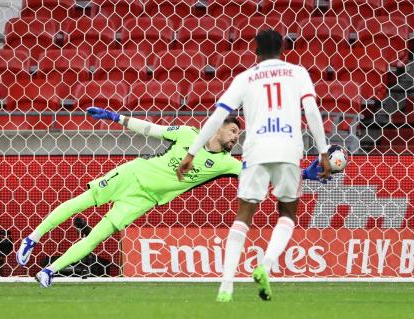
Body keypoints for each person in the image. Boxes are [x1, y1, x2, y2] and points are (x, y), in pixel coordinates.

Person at [17, 107, 325, 288]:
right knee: (82, 201)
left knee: (99, 234)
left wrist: (304, 174)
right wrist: (115, 117)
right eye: (232, 131)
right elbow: (150, 128)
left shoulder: (228, 164)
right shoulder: (189, 133)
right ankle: (33, 238)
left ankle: (49, 271)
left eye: (238, 135)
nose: (235, 137)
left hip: (145, 199)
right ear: (217, 127)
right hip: (133, 174)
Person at [176, 29, 332, 302]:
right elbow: (312, 112)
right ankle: (267, 264)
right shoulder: (297, 73)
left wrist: (192, 151)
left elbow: (217, 117)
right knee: (287, 213)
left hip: (256, 150)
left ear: (255, 50)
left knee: (244, 214)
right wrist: (323, 151)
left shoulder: (245, 77)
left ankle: (226, 286)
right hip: (288, 149)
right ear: (282, 48)